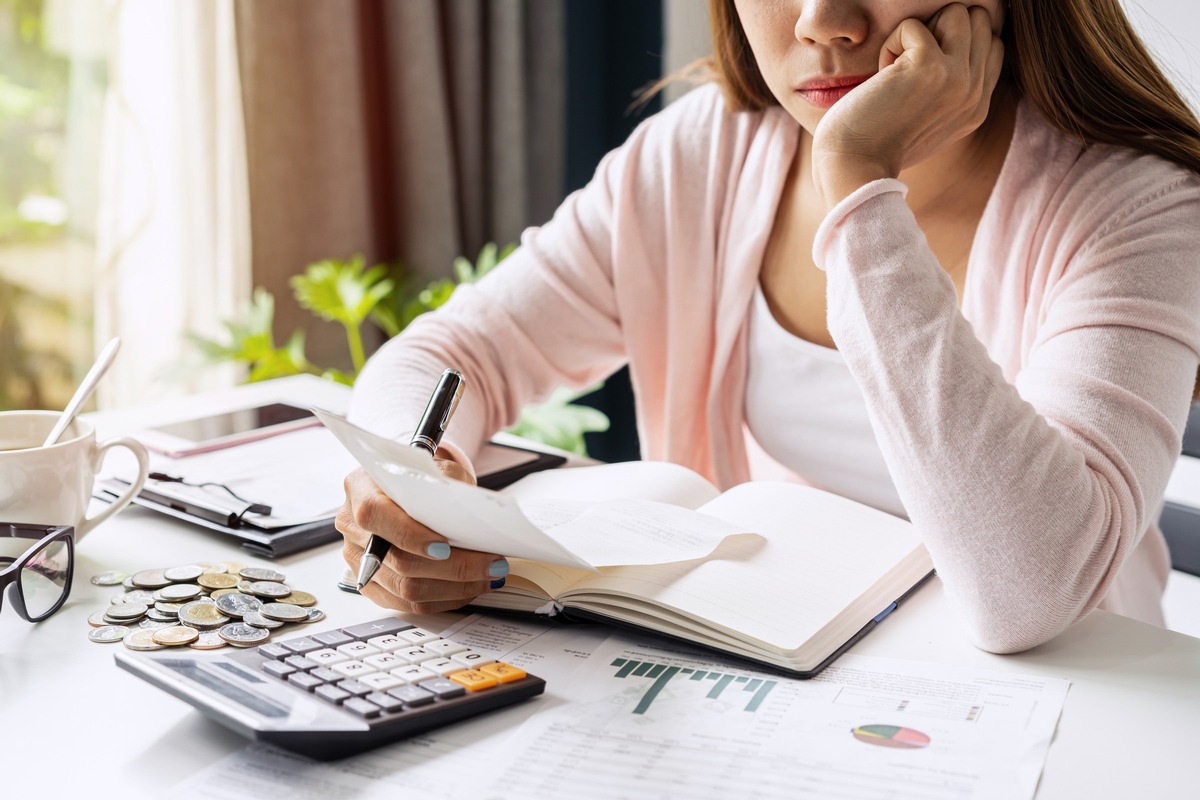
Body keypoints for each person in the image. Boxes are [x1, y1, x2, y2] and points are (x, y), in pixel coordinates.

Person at [336, 0, 1200, 654]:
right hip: (782, 680)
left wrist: (859, 185)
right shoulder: (697, 159)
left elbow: (1029, 590)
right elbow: (449, 355)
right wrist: (408, 484)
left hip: (1064, 720)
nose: (826, 23)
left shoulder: (1142, 206)